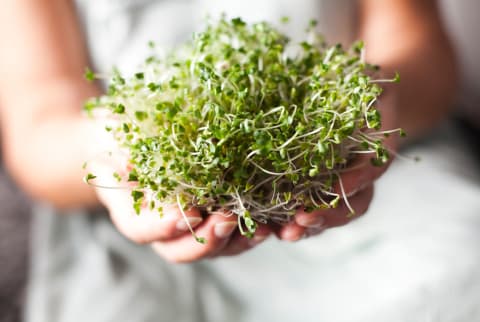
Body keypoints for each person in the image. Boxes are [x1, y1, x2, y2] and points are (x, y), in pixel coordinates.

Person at [2, 1, 476, 321]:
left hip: (378, 181)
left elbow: (427, 60)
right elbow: (40, 123)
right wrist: (107, 145)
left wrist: (377, 100)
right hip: (135, 224)